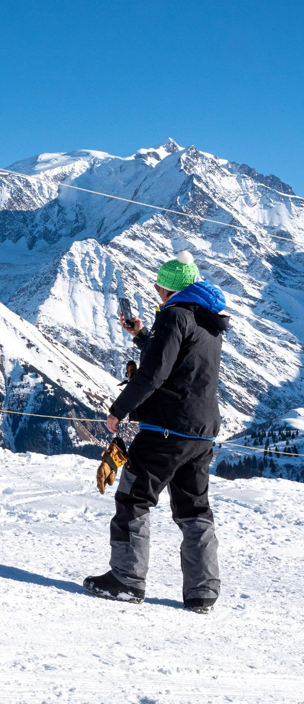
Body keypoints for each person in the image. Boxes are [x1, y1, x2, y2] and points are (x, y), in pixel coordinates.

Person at [84, 251, 229, 613]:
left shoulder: (174, 316)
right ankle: (202, 592)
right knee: (194, 509)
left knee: (134, 499)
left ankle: (127, 581)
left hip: (165, 428)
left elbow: (154, 374)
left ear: (167, 288)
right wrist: (142, 335)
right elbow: (180, 360)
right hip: (202, 431)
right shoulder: (208, 320)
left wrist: (119, 410)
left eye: (159, 286)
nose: (156, 291)